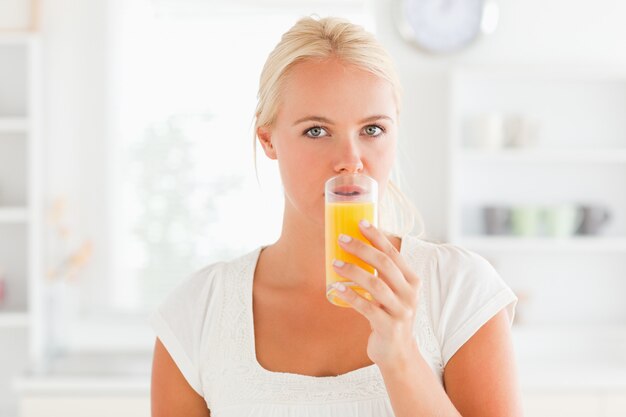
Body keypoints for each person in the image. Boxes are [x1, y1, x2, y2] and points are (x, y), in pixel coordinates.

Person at [150, 15, 523, 417]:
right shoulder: (197, 313)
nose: (350, 161)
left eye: (373, 129)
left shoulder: (460, 290)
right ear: (268, 138)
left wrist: (400, 356)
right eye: (316, 131)